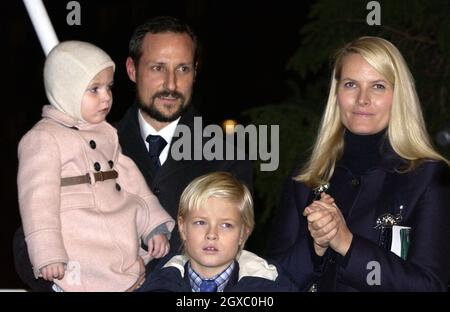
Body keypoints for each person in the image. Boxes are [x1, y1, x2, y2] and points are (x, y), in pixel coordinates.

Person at [13, 16, 252, 291]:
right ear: (132, 70)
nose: (171, 84)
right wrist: (73, 283)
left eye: (183, 69)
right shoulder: (84, 143)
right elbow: (31, 232)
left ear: (195, 72)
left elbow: (233, 242)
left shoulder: (226, 152)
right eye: (158, 68)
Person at [268, 36, 450, 291]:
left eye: (378, 86)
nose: (362, 99)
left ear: (398, 96)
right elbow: (272, 280)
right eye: (351, 84)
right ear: (337, 93)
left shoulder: (428, 176)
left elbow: (430, 286)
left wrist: (348, 244)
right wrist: (314, 247)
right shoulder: (307, 174)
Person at [16, 41, 175, 291]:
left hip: (118, 235)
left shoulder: (106, 133)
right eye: (94, 89)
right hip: (78, 242)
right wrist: (47, 252)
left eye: (109, 87)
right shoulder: (43, 138)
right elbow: (37, 201)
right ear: (67, 90)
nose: (106, 97)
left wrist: (152, 225)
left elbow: (133, 184)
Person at [138, 172, 298, 292]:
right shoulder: (158, 284)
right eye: (200, 222)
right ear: (182, 228)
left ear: (243, 233)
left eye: (226, 225)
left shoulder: (270, 286)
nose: (211, 234)